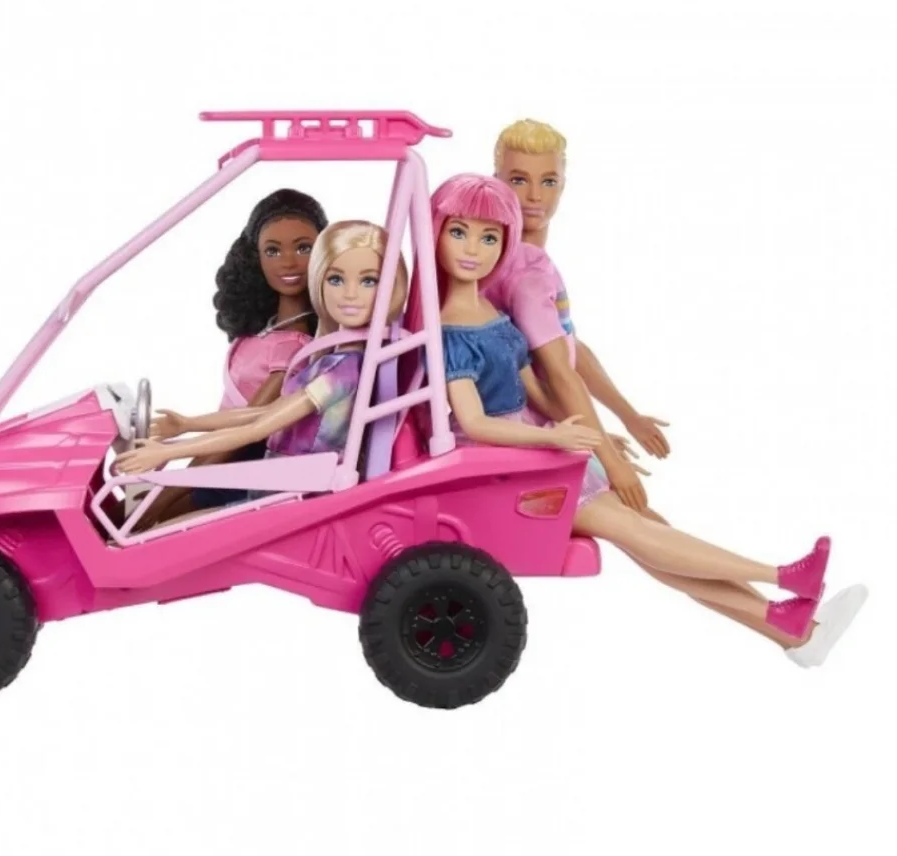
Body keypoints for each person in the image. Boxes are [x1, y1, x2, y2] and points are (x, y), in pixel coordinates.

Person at [486, 120, 867, 666]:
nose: (535, 197)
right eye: (518, 180)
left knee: (649, 533)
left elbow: (570, 348)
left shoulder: (531, 260)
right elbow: (552, 375)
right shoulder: (518, 268)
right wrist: (606, 450)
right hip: (537, 440)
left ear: (565, 184)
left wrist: (627, 416)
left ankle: (793, 630)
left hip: (556, 428)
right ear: (496, 180)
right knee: (643, 533)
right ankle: (789, 600)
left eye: (549, 182)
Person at [412, 172, 839, 645]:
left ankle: (780, 617)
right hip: (501, 470)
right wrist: (554, 437)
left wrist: (583, 430)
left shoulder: (493, 312)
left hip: (536, 450)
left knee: (641, 535)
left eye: (489, 237)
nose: (473, 249)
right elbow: (473, 422)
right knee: (636, 533)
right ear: (436, 234)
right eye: (459, 232)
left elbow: (532, 388)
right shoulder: (448, 332)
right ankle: (782, 579)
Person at [115, 220, 424, 508]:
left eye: (368, 281)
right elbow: (267, 412)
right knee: (176, 515)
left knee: (164, 534)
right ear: (319, 281)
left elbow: (259, 428)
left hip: (295, 491)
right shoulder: (329, 357)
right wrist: (187, 424)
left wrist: (170, 451)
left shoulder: (343, 370)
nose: (351, 294)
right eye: (336, 279)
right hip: (277, 478)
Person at [133, 188, 328, 530]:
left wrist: (157, 501)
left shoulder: (293, 347)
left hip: (237, 464)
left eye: (303, 248)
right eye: (272, 250)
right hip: (210, 456)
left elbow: (247, 430)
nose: (288, 262)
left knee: (151, 524)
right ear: (256, 257)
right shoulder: (265, 331)